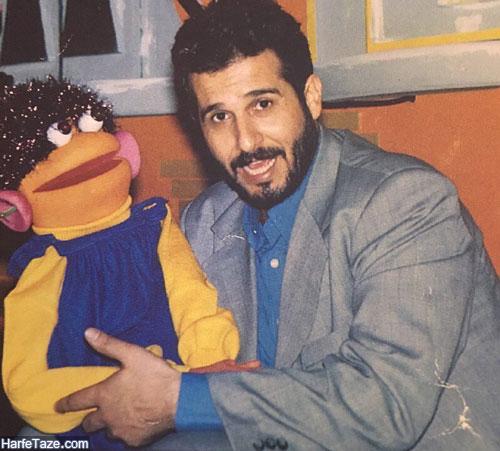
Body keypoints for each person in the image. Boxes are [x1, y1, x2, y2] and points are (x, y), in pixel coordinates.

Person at [57, 0, 500, 449]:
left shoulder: (405, 202)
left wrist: (182, 399)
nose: (245, 141)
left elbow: (386, 404)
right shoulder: (203, 220)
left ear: (311, 97)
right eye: (219, 116)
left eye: (262, 104)